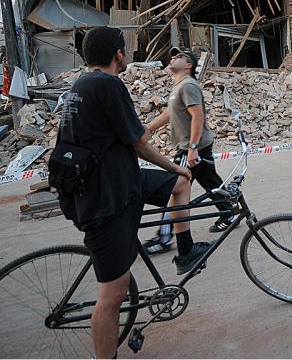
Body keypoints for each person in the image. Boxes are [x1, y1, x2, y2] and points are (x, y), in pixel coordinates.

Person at [56, 27, 210, 358]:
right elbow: (138, 143)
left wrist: (175, 169)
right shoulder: (108, 84)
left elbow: (132, 134)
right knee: (113, 296)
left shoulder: (81, 86)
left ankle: (185, 252)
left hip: (122, 181)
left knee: (181, 185)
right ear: (118, 54)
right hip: (105, 198)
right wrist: (175, 165)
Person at [142, 47, 235, 255]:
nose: (173, 57)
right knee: (210, 181)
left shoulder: (188, 85)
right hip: (196, 146)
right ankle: (229, 213)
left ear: (189, 65)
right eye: (172, 54)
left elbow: (198, 116)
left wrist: (192, 148)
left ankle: (164, 237)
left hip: (190, 148)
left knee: (174, 189)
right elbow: (169, 113)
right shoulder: (179, 87)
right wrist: (148, 129)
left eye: (179, 56)